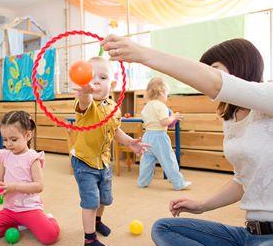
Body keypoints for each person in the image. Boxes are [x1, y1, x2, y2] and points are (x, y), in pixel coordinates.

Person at [101, 36, 273, 245]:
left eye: (215, 69)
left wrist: (143, 54)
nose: (205, 79)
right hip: (249, 234)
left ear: (239, 65)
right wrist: (202, 205)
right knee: (164, 228)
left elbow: (216, 83)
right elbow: (242, 181)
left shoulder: (268, 97)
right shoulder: (231, 119)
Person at [71, 56, 149, 246]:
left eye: (103, 77)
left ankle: (97, 222)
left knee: (105, 199)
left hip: (104, 162)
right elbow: (85, 100)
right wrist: (84, 91)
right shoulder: (87, 105)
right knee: (91, 201)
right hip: (84, 162)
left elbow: (115, 130)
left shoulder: (114, 108)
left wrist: (130, 142)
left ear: (112, 83)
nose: (96, 81)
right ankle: (89, 240)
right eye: (91, 77)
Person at [0, 111, 60, 245]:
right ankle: (20, 225)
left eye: (13, 139)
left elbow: (39, 186)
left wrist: (14, 186)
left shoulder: (33, 158)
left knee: (50, 236)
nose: (8, 144)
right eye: (5, 139)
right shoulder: (4, 155)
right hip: (9, 210)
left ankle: (48, 219)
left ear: (28, 135)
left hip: (29, 208)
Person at [138, 77, 190, 190]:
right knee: (168, 159)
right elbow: (164, 122)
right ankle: (178, 183)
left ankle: (142, 182)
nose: (167, 96)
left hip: (147, 136)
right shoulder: (161, 106)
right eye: (167, 93)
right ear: (161, 92)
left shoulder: (147, 106)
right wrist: (173, 116)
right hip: (159, 137)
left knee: (147, 160)